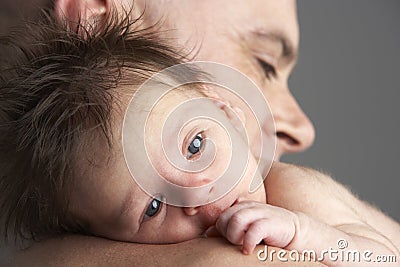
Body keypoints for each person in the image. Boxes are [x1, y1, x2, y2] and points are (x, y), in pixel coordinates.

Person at [1, 1, 399, 266]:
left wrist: (304, 233)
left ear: (223, 109)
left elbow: (382, 260)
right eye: (153, 208)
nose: (195, 196)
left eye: (195, 145)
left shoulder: (294, 196)